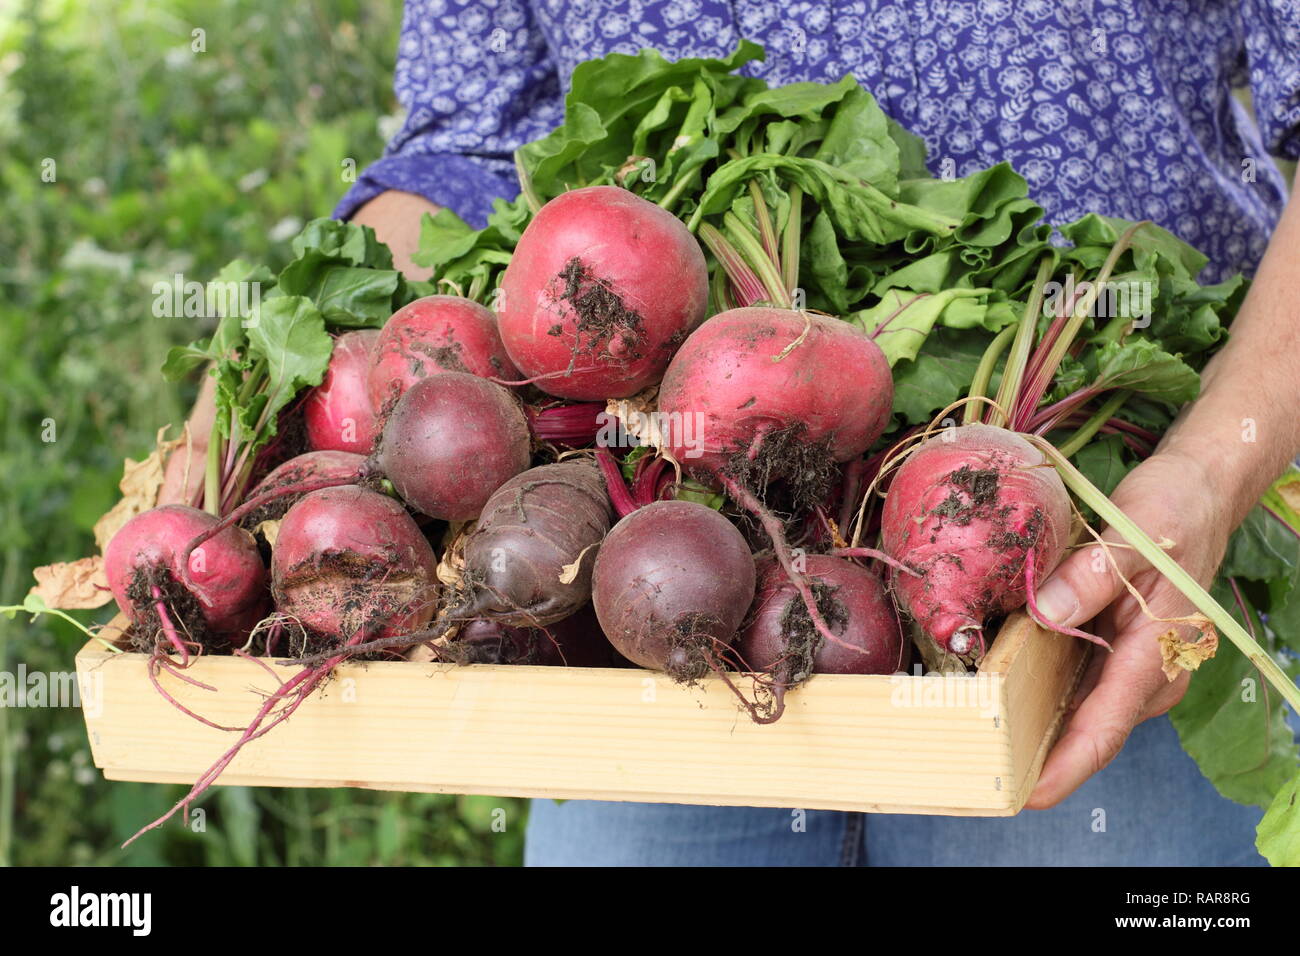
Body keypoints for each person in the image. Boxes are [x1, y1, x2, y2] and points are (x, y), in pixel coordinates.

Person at [164, 1, 1300, 865]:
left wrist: (1215, 465)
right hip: (643, 626)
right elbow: (463, 145)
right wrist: (306, 364)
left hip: (1105, 557)